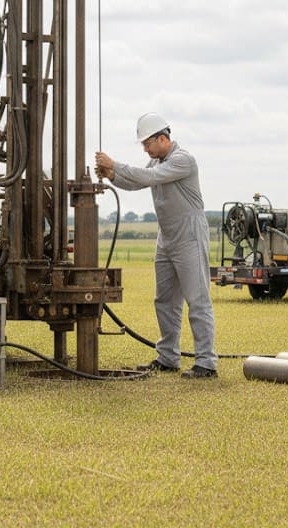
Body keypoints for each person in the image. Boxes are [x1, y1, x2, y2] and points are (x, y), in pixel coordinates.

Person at [95, 113, 218, 379]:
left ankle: (207, 363)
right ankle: (168, 357)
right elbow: (137, 180)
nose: (145, 149)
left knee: (197, 300)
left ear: (163, 138)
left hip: (189, 235)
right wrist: (112, 175)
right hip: (167, 236)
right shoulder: (156, 162)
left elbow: (148, 177)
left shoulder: (182, 160)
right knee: (165, 300)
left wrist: (115, 164)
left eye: (148, 143)